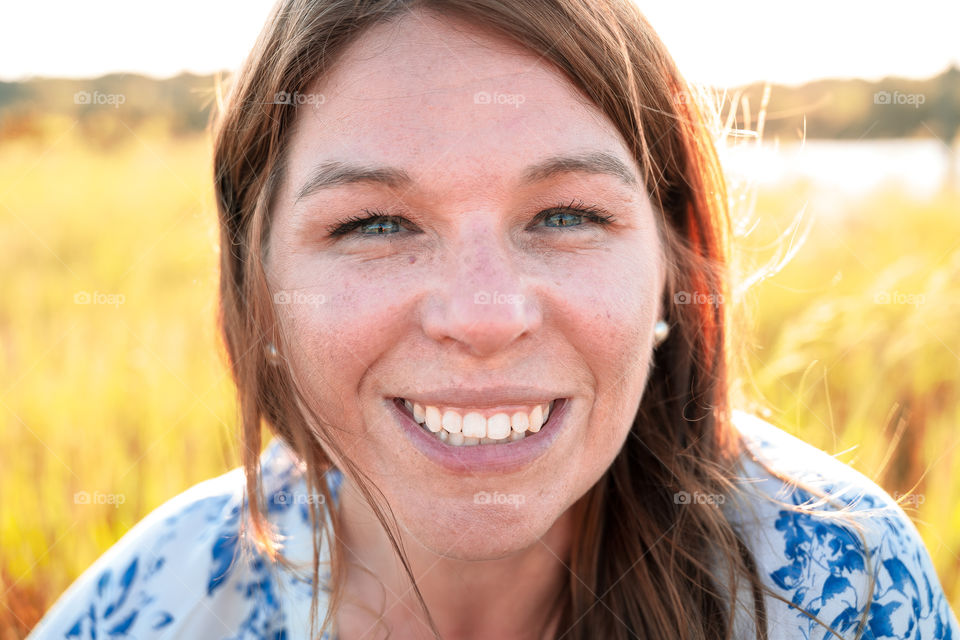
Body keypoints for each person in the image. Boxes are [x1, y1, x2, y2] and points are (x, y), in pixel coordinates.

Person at [30, 1, 959, 638]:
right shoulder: (154, 607)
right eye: (376, 224)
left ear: (672, 267)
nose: (484, 316)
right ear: (257, 289)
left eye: (566, 216)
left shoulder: (839, 590)